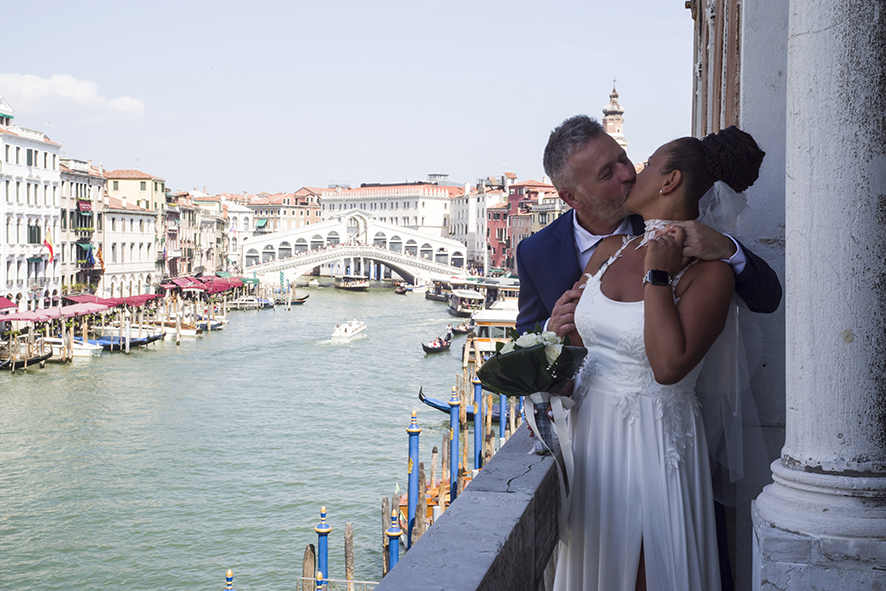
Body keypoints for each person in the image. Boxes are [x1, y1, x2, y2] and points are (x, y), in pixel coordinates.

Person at [551, 126, 765, 591]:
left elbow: (669, 367)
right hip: (591, 444)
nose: (632, 175)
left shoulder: (711, 272)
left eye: (644, 164)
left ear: (668, 182)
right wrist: (554, 333)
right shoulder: (608, 251)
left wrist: (657, 274)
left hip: (653, 442)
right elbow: (575, 356)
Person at [515, 116, 781, 337]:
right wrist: (551, 326)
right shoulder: (534, 252)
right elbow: (524, 333)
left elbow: (766, 299)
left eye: (623, 158)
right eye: (608, 173)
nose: (628, 174)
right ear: (571, 198)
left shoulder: (672, 223)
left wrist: (727, 248)